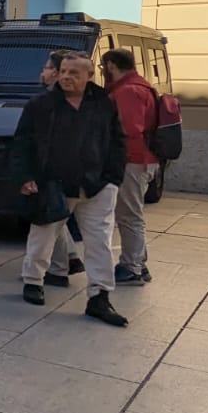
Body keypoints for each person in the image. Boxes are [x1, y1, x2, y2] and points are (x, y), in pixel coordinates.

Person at [15, 53, 128, 325]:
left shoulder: (103, 103)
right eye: (64, 71)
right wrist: (26, 176)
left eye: (74, 73)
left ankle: (100, 297)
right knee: (43, 235)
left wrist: (113, 179)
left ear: (89, 75)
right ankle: (33, 281)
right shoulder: (41, 104)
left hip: (96, 186)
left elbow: (117, 141)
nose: (66, 76)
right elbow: (22, 142)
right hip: (53, 183)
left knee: (99, 242)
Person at [102, 48, 159, 287]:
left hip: (134, 161)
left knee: (129, 215)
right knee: (131, 214)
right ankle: (138, 262)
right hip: (142, 159)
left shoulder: (128, 91)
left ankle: (131, 267)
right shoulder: (140, 86)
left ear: (112, 65)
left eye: (103, 67)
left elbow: (129, 129)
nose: (103, 71)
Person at [36, 50, 86, 286]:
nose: (42, 72)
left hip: (62, 175)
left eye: (46, 68)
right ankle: (71, 258)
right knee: (57, 218)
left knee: (49, 221)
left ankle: (55, 271)